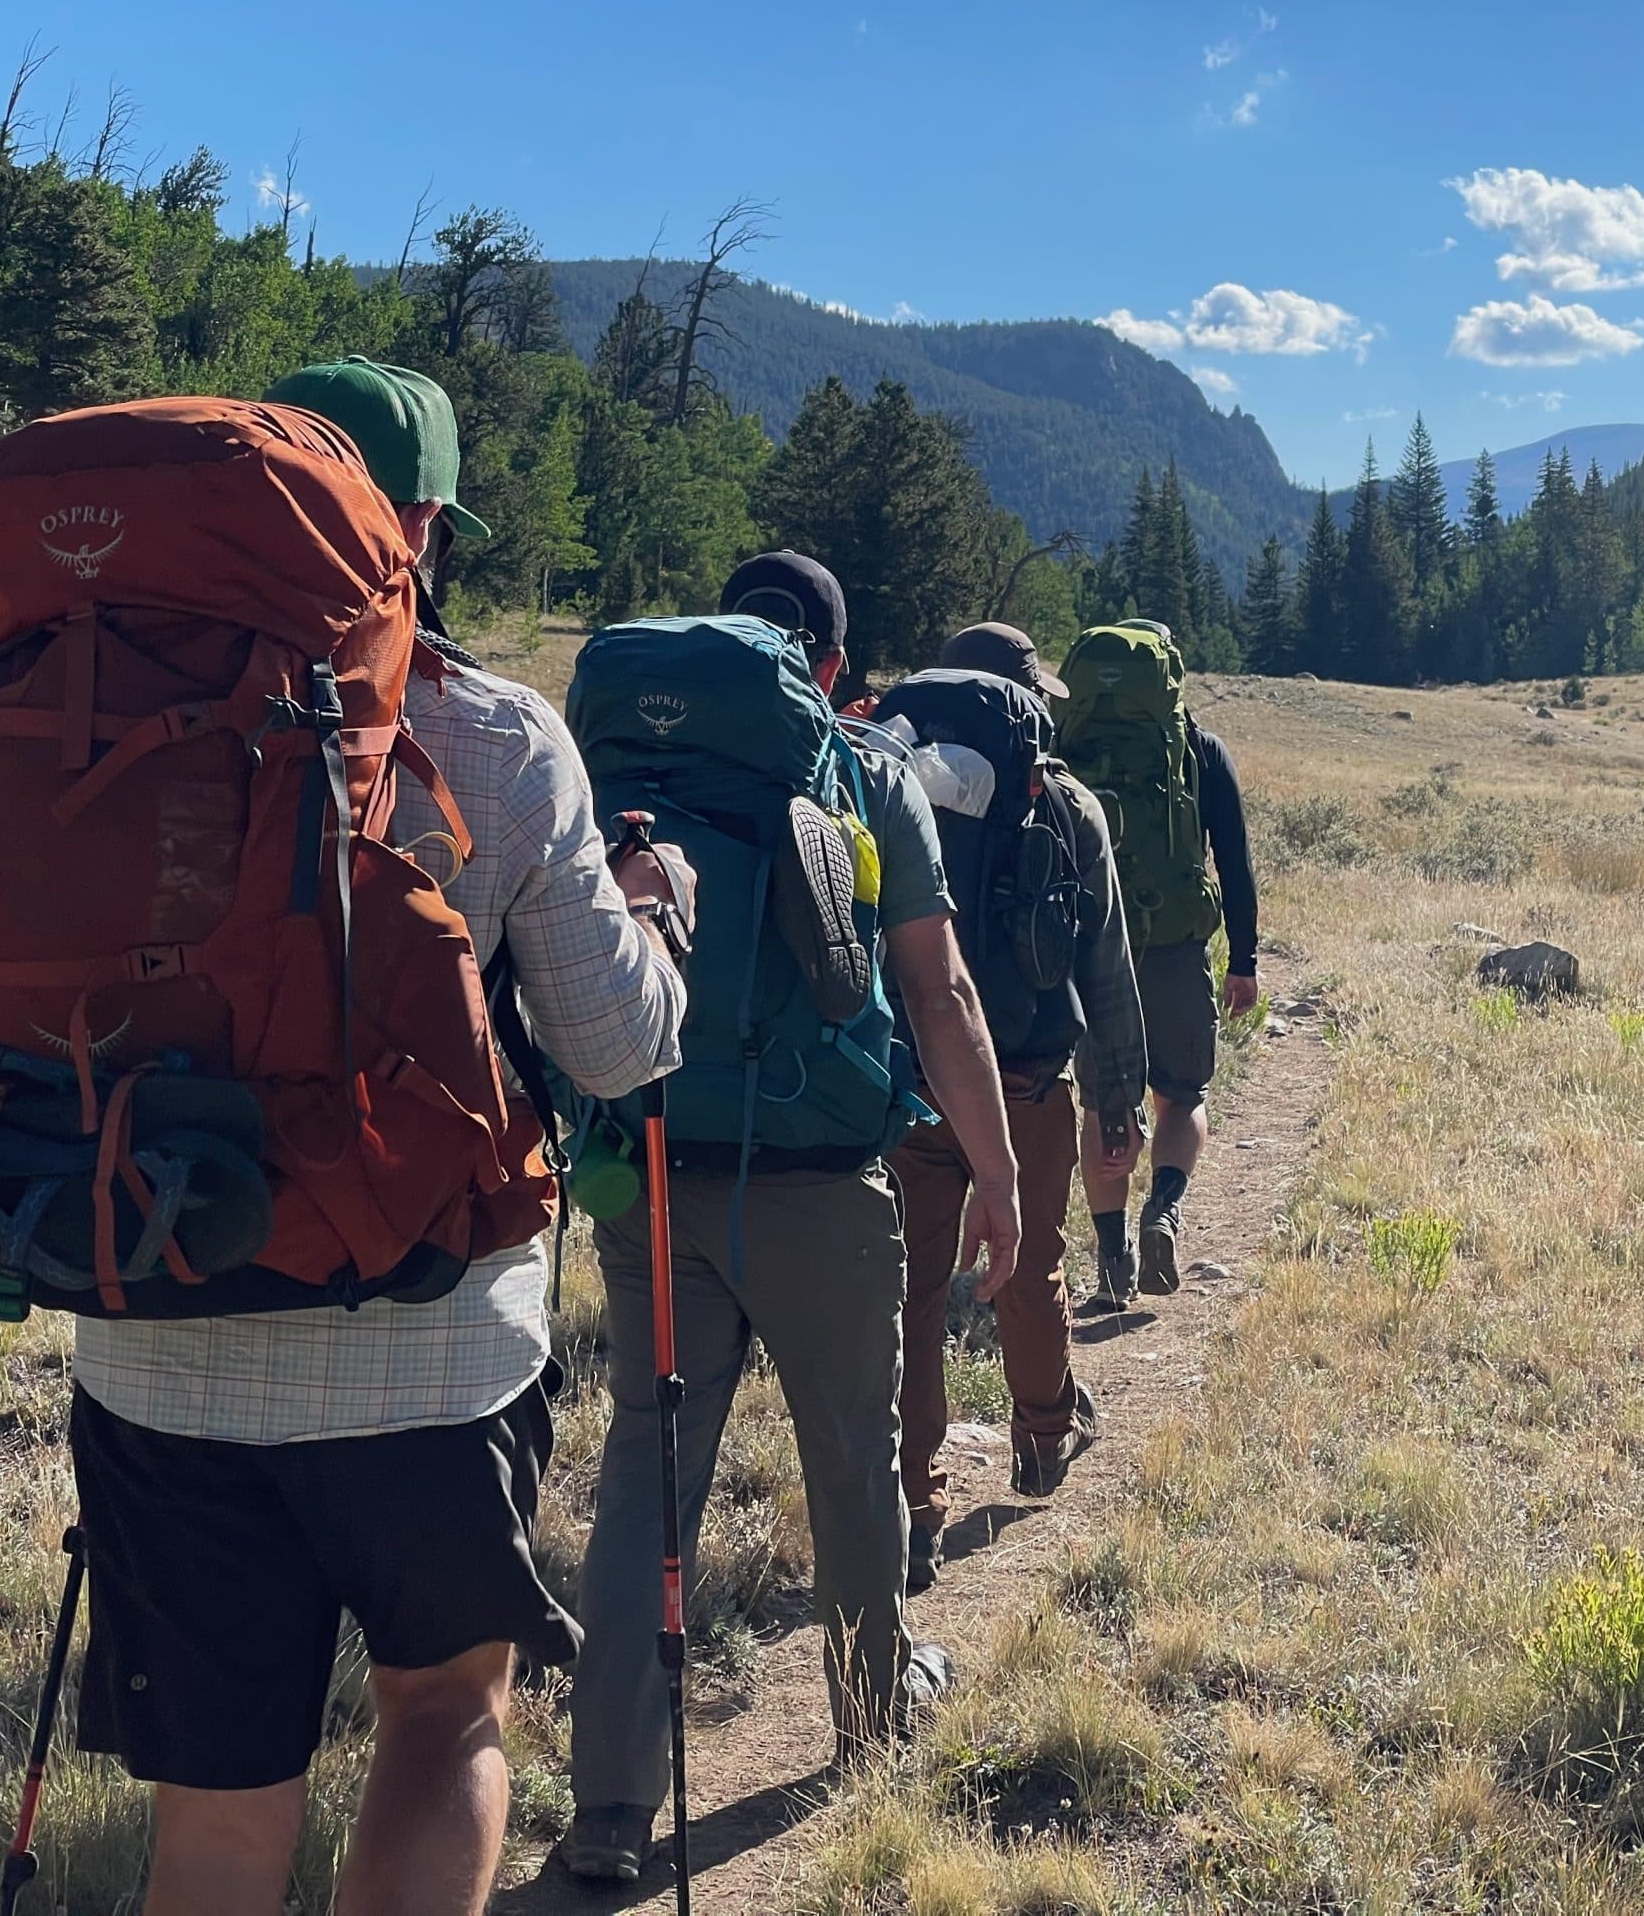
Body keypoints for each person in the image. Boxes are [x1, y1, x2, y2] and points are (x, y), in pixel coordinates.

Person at [65, 357, 688, 1916]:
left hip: (155, 1325)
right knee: (443, 1717)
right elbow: (618, 1043)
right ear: (413, 522)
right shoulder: (492, 734)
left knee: (210, 1826)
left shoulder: (84, 700)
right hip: (427, 1342)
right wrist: (659, 921)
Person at [560, 551, 1023, 1886]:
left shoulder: (623, 767)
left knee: (648, 1471)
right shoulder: (866, 771)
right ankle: (870, 1722)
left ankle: (606, 1806)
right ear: (829, 666)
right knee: (851, 1460)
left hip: (650, 1161)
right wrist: (997, 1182)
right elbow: (940, 999)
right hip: (821, 1183)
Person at [879, 622, 1146, 1594]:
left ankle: (912, 1495)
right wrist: (1116, 1093)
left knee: (909, 1292)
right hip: (1027, 1079)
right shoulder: (1063, 802)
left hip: (907, 1080)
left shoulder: (887, 777)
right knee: (1029, 1265)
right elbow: (1104, 961)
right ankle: (1040, 1438)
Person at [1062, 620, 1261, 1305]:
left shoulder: (1070, 744)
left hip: (1090, 952)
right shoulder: (1199, 751)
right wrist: (1244, 958)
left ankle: (1112, 1260)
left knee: (1103, 1104)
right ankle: (1164, 1209)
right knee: (1182, 1096)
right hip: (1174, 947)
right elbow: (1232, 862)